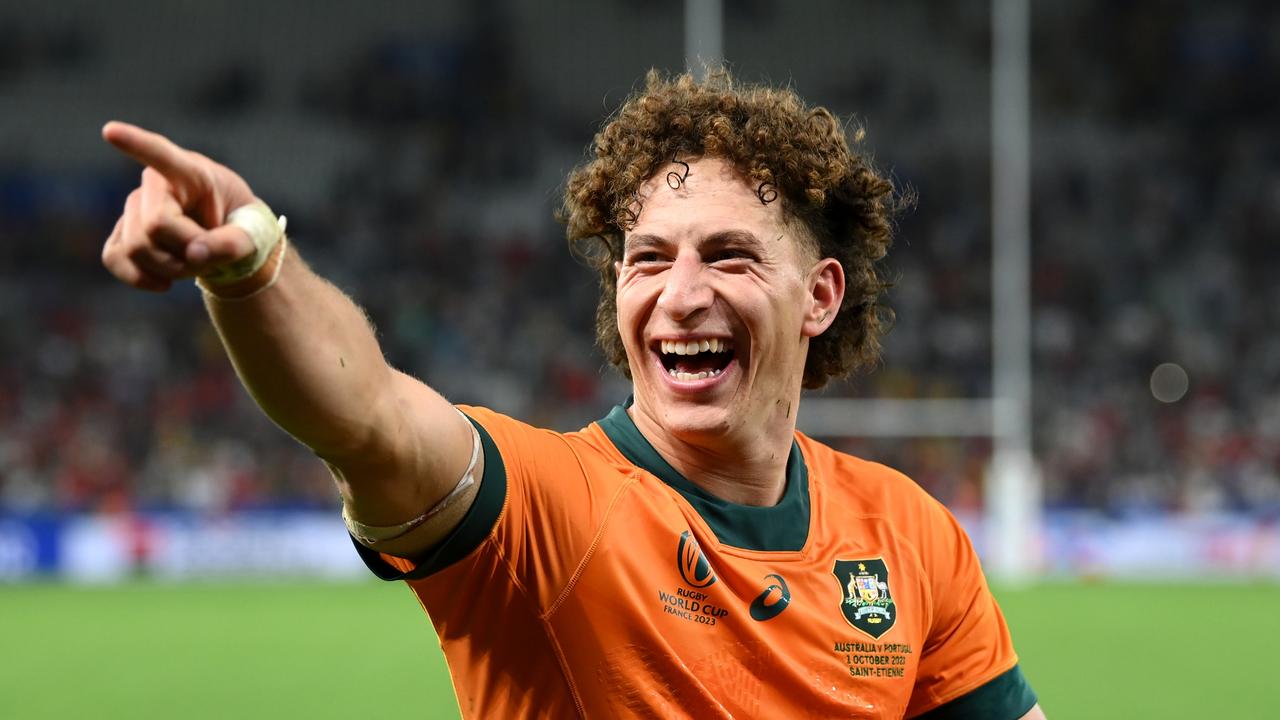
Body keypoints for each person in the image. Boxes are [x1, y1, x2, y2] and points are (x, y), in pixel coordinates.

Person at [101, 70, 1045, 719]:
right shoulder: (552, 513)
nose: (680, 295)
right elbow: (371, 417)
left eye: (728, 255)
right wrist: (255, 263)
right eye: (647, 260)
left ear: (821, 297)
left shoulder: (911, 537)